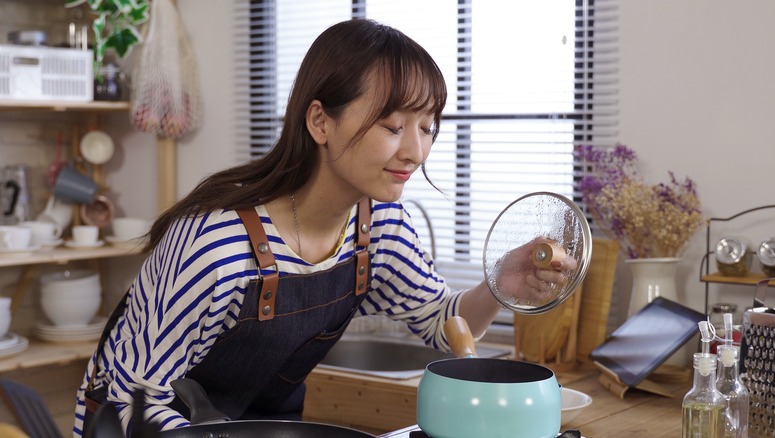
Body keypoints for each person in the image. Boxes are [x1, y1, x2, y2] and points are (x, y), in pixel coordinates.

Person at [73, 18, 572, 436]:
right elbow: (132, 396)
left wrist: (500, 284)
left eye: (427, 127)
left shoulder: (381, 227)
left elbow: (443, 325)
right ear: (320, 122)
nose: (415, 152)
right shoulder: (214, 242)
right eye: (393, 126)